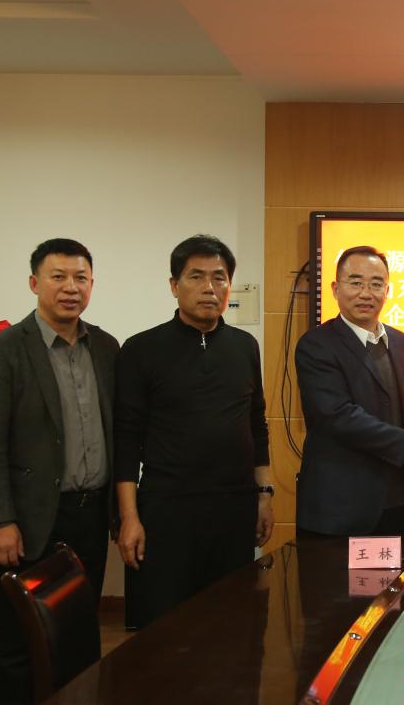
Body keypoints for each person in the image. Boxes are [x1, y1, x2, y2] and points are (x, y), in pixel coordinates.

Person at [0, 238, 119, 705]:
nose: (71, 287)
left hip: (89, 516)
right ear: (35, 283)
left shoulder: (106, 347)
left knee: (79, 636)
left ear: (92, 284)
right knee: (17, 645)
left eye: (81, 278)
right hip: (27, 521)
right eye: (59, 277)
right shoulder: (2, 351)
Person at [114, 234, 274, 628]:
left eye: (219, 277)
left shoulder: (245, 346)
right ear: (174, 285)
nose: (209, 288)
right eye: (196, 276)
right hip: (167, 509)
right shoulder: (141, 349)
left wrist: (264, 495)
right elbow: (126, 439)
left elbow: (257, 424)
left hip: (233, 508)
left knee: (229, 626)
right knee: (163, 628)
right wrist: (129, 518)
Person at [295, 246, 404, 536]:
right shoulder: (316, 345)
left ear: (387, 291)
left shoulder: (401, 342)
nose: (366, 293)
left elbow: (399, 417)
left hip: (395, 504)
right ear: (335, 289)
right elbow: (337, 416)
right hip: (339, 508)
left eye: (376, 284)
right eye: (355, 282)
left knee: (396, 568)